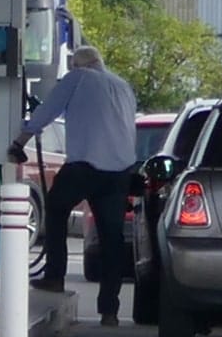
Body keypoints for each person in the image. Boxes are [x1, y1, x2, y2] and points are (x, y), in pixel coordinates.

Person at [39, 41, 146, 321]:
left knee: (56, 208)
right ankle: (109, 310)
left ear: (78, 65)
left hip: (84, 167)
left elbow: (47, 110)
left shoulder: (78, 78)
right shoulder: (123, 86)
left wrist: (21, 139)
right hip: (120, 171)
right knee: (111, 239)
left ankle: (54, 275)